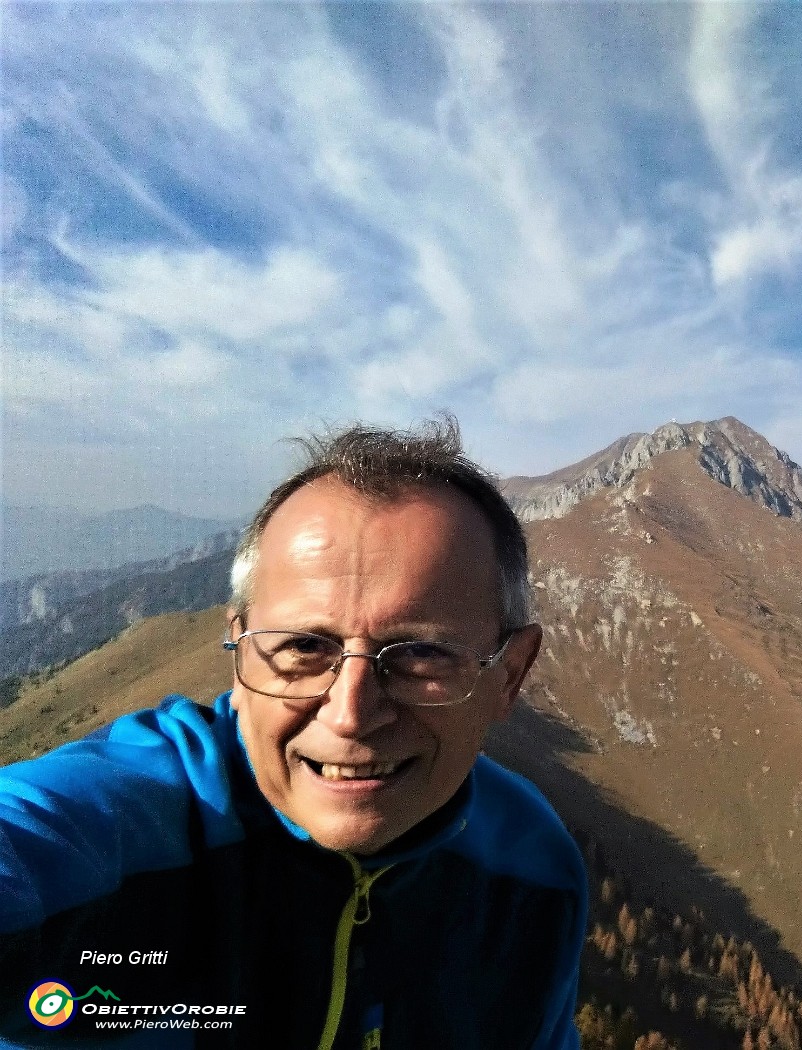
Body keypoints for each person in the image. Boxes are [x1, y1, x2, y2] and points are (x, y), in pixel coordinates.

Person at [0, 418, 587, 1049]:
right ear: (240, 656)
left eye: (421, 653)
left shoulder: (533, 870)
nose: (350, 713)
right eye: (304, 646)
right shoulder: (116, 825)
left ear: (511, 673)